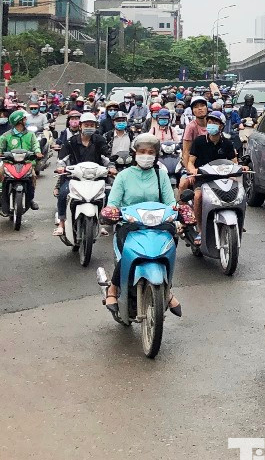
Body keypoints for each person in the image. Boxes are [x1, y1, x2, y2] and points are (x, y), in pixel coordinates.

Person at [101, 133, 181, 316]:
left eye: (151, 152)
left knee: (171, 244)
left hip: (158, 224)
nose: (146, 155)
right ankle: (112, 288)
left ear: (156, 155)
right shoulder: (124, 176)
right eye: (142, 151)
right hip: (130, 223)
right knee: (128, 252)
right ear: (135, 153)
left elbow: (170, 202)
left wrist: (178, 213)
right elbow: (113, 202)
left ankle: (167, 290)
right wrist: (111, 211)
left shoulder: (161, 175)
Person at [54, 112, 113, 238]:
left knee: (108, 193)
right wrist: (60, 167)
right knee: (63, 193)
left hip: (96, 178)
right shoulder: (71, 141)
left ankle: (100, 223)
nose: (89, 127)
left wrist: (111, 167)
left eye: (92, 125)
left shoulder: (100, 140)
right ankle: (62, 222)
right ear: (80, 126)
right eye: (86, 125)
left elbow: (106, 157)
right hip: (74, 178)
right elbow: (62, 159)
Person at [183, 110, 239, 229]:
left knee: (238, 193)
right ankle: (200, 228)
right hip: (202, 178)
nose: (211, 124)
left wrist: (237, 171)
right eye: (209, 122)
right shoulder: (199, 141)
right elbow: (190, 162)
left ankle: (237, 219)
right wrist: (192, 171)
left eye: (215, 122)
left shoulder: (227, 143)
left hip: (221, 178)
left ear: (222, 126)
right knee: (198, 196)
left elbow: (234, 163)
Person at [0, 110, 42, 216]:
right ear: (19, 121)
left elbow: (35, 145)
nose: (26, 120)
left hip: (26, 163)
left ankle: (31, 199)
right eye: (24, 119)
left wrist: (37, 152)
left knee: (33, 177)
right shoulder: (7, 135)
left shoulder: (30, 134)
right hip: (9, 163)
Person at [181, 95, 210, 169]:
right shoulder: (191, 127)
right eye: (196, 107)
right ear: (193, 111)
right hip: (197, 166)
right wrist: (189, 171)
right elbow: (186, 151)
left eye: (202, 105)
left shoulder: (213, 124)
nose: (200, 108)